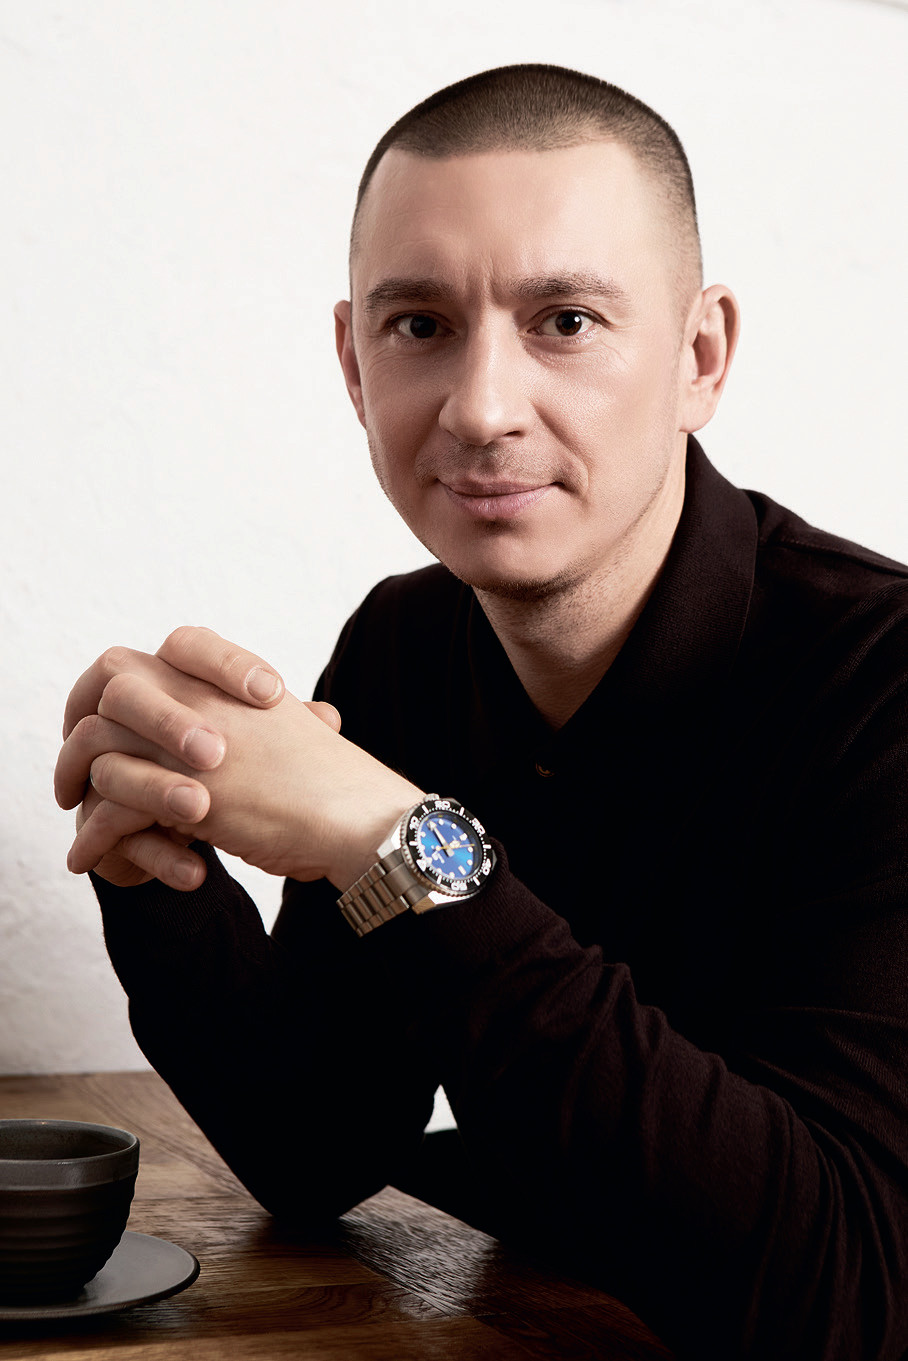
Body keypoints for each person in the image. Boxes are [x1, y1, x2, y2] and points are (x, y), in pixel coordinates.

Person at [54, 65, 908, 1360]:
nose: (482, 407)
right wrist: (158, 864)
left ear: (700, 356)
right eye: (420, 325)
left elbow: (847, 1291)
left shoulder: (878, 682)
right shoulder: (405, 646)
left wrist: (406, 844)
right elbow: (319, 1143)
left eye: (565, 320)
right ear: (354, 363)